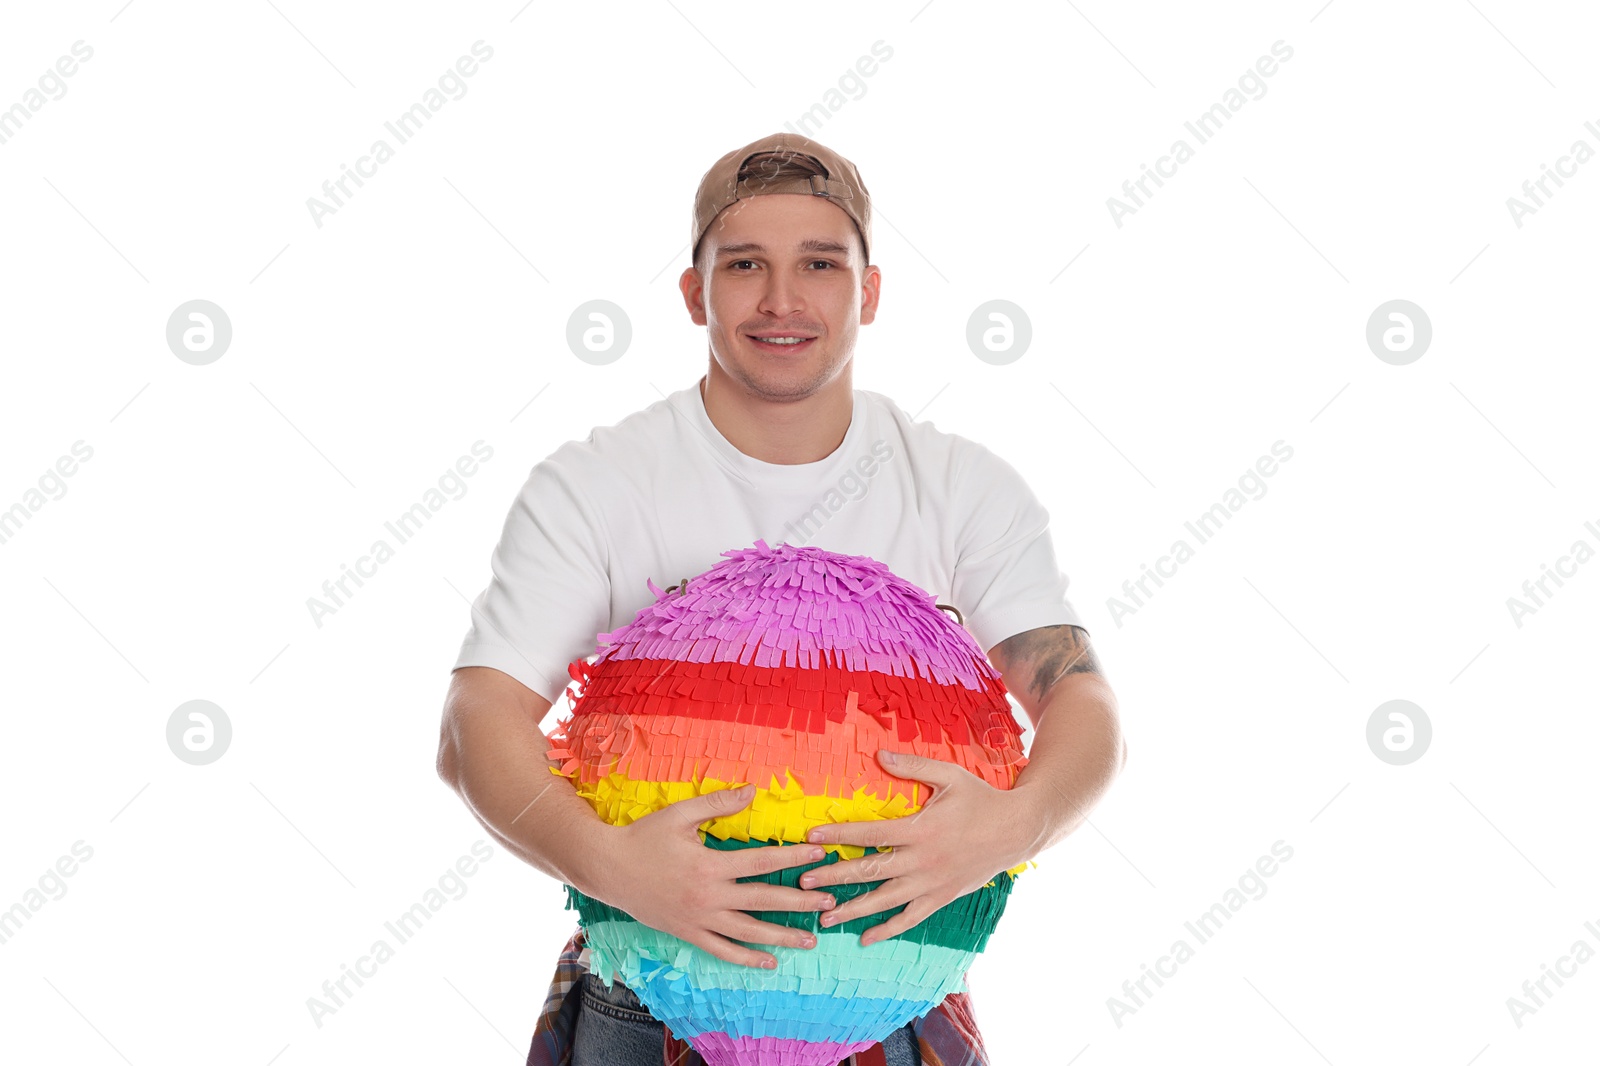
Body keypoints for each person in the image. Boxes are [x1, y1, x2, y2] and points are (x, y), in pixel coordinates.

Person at [435, 132, 1127, 1066]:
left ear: (869, 292)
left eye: (820, 264)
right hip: (650, 998)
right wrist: (615, 867)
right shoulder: (596, 483)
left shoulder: (963, 486)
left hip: (892, 994)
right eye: (746, 264)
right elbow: (475, 720)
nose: (782, 300)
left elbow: (1080, 698)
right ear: (695, 293)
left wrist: (1013, 823)